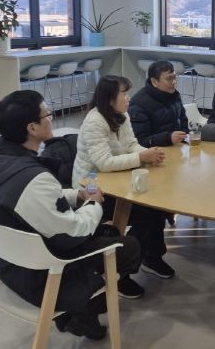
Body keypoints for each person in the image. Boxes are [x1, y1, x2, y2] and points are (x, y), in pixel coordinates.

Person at [0, 90, 141, 340]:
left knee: (109, 232)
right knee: (128, 246)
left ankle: (83, 317)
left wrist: (76, 196)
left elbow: (35, 200)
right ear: (32, 128)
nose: (51, 119)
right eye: (47, 114)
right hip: (40, 274)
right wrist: (93, 204)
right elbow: (72, 233)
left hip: (5, 260)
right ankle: (78, 312)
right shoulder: (32, 179)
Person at [72, 75, 172, 296]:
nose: (128, 98)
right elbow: (104, 163)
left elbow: (131, 144)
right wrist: (141, 158)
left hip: (116, 177)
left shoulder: (122, 115)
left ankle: (151, 257)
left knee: (156, 208)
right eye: (124, 94)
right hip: (90, 184)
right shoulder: (95, 121)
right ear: (109, 99)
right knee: (144, 215)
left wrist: (148, 153)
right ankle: (119, 273)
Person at [128, 60, 189, 146]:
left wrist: (185, 135)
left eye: (174, 77)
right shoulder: (138, 105)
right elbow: (140, 141)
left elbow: (183, 120)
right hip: (154, 151)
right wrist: (168, 138)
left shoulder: (174, 95)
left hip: (176, 145)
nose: (174, 82)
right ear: (154, 82)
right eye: (169, 79)